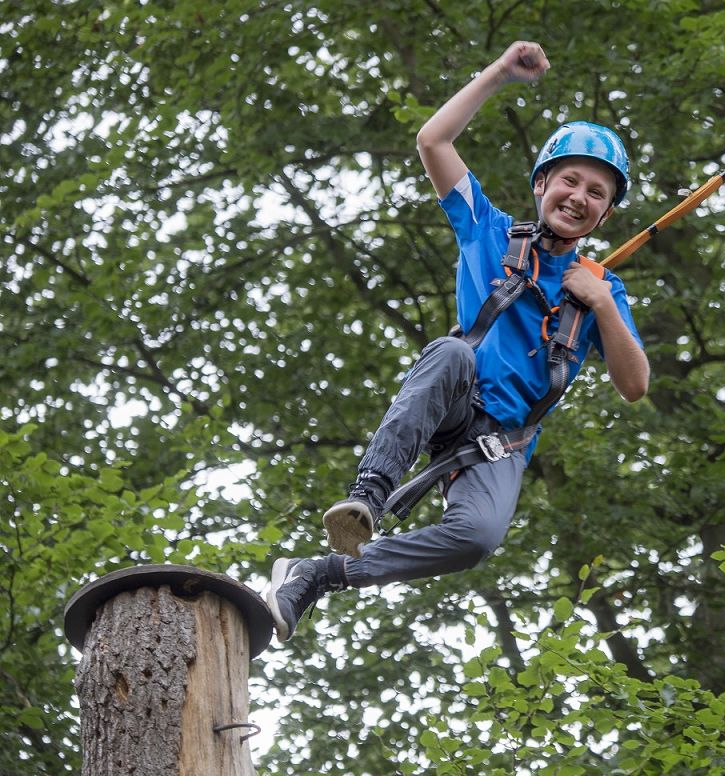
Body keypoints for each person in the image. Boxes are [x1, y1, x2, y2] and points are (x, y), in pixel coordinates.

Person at [266, 41, 649, 642]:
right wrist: (500, 73)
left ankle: (319, 576)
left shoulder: (603, 291)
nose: (579, 197)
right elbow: (433, 142)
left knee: (478, 537)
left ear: (605, 214)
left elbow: (635, 386)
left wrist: (601, 304)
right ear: (542, 183)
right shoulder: (490, 231)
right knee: (450, 351)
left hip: (502, 442)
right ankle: (368, 496)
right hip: (455, 396)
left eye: (597, 193)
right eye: (569, 181)